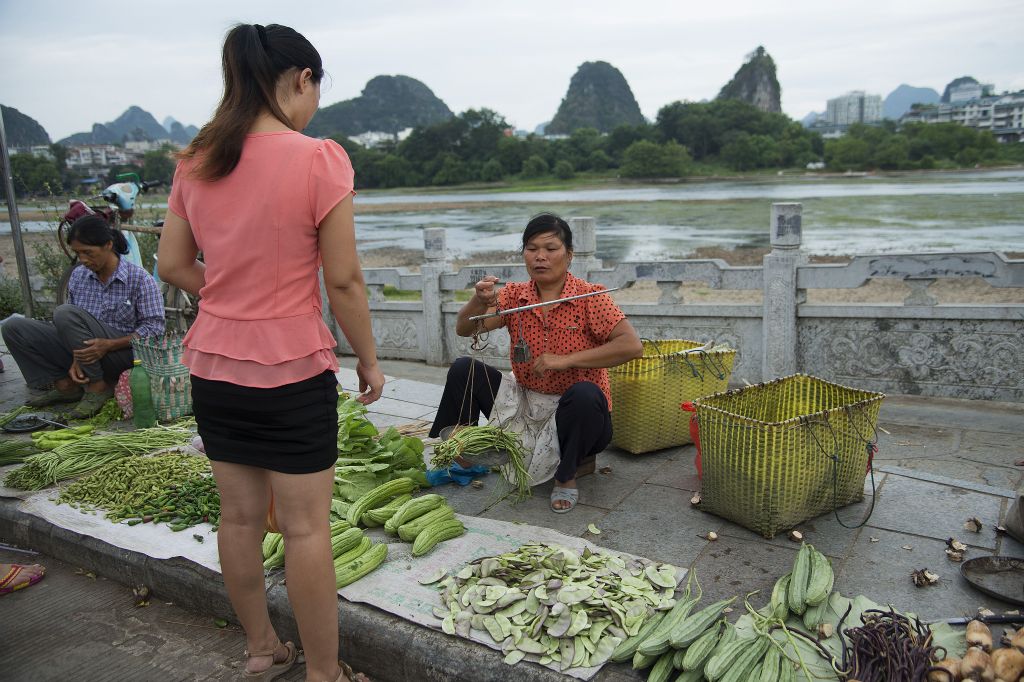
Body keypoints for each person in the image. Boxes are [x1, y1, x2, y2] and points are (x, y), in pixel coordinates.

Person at [157, 23, 380, 682]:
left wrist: (228, 297)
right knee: (307, 531)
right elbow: (343, 281)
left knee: (239, 517)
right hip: (291, 369)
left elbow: (172, 263)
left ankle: (262, 649)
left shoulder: (197, 158)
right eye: (316, 88)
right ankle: (322, 672)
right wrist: (368, 358)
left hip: (214, 366)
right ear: (301, 79)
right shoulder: (319, 159)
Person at [430, 213, 643, 512]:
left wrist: (566, 360)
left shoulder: (590, 297)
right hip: (525, 402)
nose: (540, 257)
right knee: (464, 369)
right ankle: (460, 451)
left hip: (577, 412)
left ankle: (566, 476)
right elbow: (465, 328)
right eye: (532, 249)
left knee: (585, 394)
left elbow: (632, 346)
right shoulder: (516, 296)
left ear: (568, 255)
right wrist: (478, 301)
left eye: (550, 248)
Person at [1, 215, 165, 419]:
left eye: (88, 253)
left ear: (108, 245)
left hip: (123, 355)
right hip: (88, 353)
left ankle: (97, 387)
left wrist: (109, 344)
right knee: (14, 327)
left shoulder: (140, 279)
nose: (83, 260)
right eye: (78, 253)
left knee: (64, 312)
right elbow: (72, 326)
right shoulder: (79, 275)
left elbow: (156, 330)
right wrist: (77, 355)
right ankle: (66, 386)